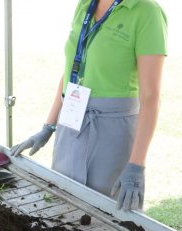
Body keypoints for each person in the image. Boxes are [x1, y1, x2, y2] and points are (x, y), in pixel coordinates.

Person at [11, 0, 167, 212]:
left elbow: (150, 97)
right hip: (71, 123)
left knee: (106, 219)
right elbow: (70, 71)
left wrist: (136, 165)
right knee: (62, 208)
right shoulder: (85, 5)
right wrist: (49, 125)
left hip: (112, 132)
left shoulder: (146, 11)